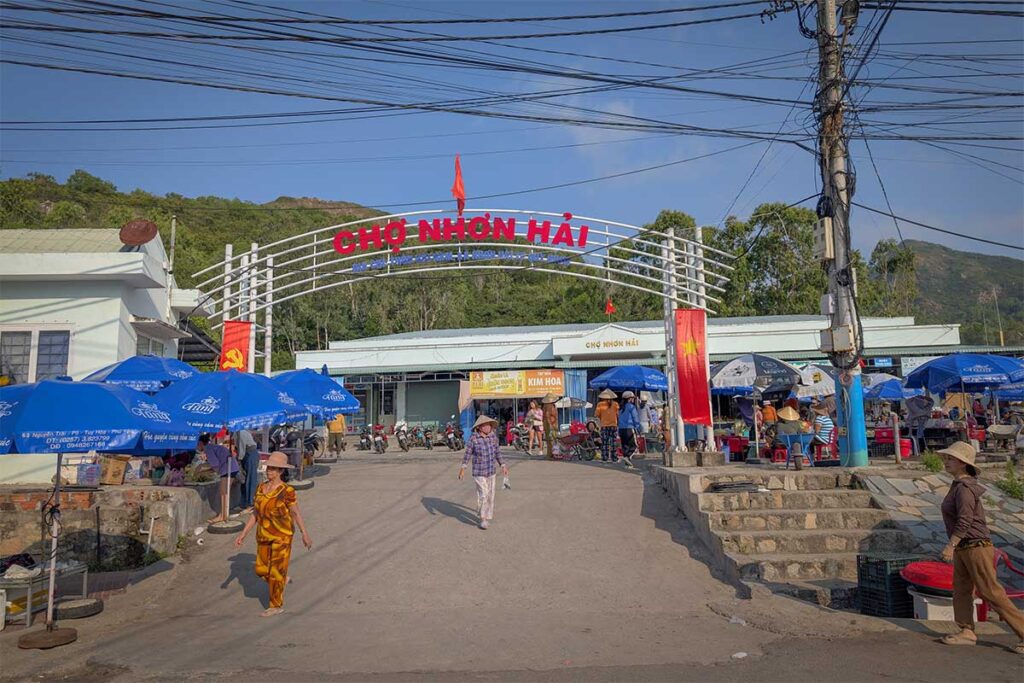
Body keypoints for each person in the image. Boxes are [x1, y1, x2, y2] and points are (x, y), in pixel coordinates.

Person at [936, 442, 1024, 652]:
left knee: (990, 591)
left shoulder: (964, 489)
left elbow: (965, 521)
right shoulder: (958, 485)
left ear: (962, 463)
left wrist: (950, 546)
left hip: (976, 546)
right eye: (946, 458)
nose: (946, 462)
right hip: (965, 547)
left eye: (950, 459)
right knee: (961, 590)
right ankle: (966, 630)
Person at [234, 451, 312, 617]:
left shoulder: (287, 491)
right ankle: (281, 579)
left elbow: (295, 513)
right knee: (261, 570)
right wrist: (243, 534)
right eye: (268, 468)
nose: (269, 471)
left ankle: (275, 605)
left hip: (282, 536)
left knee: (276, 572)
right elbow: (255, 513)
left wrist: (304, 533)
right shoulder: (261, 488)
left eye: (273, 469)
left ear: (280, 471)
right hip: (263, 535)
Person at [458, 415, 508, 530]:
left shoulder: (493, 437)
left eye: (490, 425)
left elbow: (497, 452)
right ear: (480, 427)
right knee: (483, 494)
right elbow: (468, 454)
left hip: (491, 471)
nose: (489, 427)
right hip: (479, 472)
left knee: (490, 495)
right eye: (486, 425)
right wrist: (463, 469)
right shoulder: (474, 439)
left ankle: (487, 515)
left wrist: (503, 465)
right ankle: (483, 518)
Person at [197, 432, 238, 524]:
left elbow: (215, 466)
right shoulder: (212, 447)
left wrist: (201, 469)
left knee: (224, 493)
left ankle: (222, 516)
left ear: (200, 443)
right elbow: (216, 466)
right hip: (230, 468)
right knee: (224, 492)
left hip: (228, 469)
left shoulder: (208, 449)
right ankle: (223, 515)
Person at [236, 428, 260, 512]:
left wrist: (239, 459)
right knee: (244, 479)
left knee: (250, 479)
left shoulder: (241, 432)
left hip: (250, 454)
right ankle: (244, 503)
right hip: (247, 454)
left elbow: (241, 447)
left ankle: (251, 503)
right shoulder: (237, 432)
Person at [594, 389, 619, 462]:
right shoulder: (615, 404)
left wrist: (603, 417)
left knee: (605, 442)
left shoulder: (600, 404)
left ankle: (605, 457)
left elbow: (597, 415)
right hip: (613, 425)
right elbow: (618, 414)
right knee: (613, 442)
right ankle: (614, 458)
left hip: (604, 426)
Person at [618, 391, 641, 468]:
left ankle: (627, 464)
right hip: (629, 428)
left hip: (621, 429)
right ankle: (627, 457)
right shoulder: (631, 407)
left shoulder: (620, 408)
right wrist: (638, 427)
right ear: (629, 399)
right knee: (635, 446)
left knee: (625, 446)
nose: (633, 399)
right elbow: (635, 418)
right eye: (632, 398)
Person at [541, 393, 559, 459]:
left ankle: (552, 454)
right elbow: (547, 416)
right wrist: (550, 425)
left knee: (553, 439)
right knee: (551, 440)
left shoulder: (552, 405)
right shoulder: (548, 405)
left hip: (552, 424)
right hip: (550, 424)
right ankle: (550, 454)